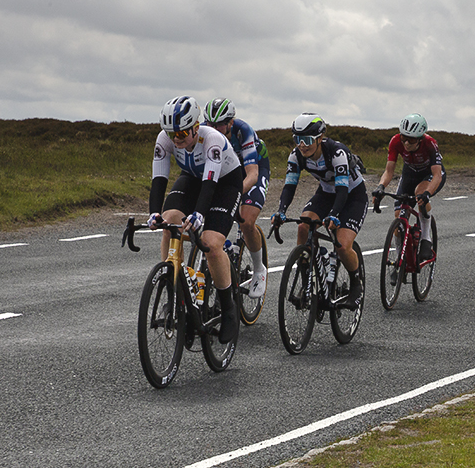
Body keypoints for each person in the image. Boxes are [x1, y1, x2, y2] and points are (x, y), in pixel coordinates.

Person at [148, 95, 243, 343]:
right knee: (169, 223)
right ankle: (173, 289)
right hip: (191, 177)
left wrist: (199, 214)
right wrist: (154, 213)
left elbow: (210, 183)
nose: (175, 139)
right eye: (171, 134)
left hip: (225, 183)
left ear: (196, 127)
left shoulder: (211, 140)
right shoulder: (165, 139)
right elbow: (159, 178)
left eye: (181, 134)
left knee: (211, 244)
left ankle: (229, 309)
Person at [271, 114, 367, 302]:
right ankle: (308, 284)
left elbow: (342, 190)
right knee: (303, 227)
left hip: (352, 195)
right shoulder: (296, 155)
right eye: (297, 140)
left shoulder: (337, 153)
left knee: (342, 245)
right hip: (326, 193)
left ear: (320, 138)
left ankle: (357, 284)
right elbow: (289, 187)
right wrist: (281, 211)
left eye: (307, 140)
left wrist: (333, 215)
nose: (302, 145)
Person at [204, 97, 270, 299]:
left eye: (220, 124)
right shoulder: (205, 135)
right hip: (228, 171)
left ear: (231, 122)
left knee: (246, 220)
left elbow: (252, 175)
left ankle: (259, 270)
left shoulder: (244, 131)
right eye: (210, 124)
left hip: (253, 169)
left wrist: (231, 195)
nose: (214, 129)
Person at [374, 113, 445, 261]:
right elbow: (389, 171)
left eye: (411, 139)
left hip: (430, 174)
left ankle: (426, 238)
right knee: (399, 215)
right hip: (410, 173)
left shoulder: (430, 143)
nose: (406, 143)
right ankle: (400, 257)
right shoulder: (395, 141)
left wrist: (427, 193)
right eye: (403, 137)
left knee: (420, 194)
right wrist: (381, 187)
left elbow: (437, 175)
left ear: (420, 138)